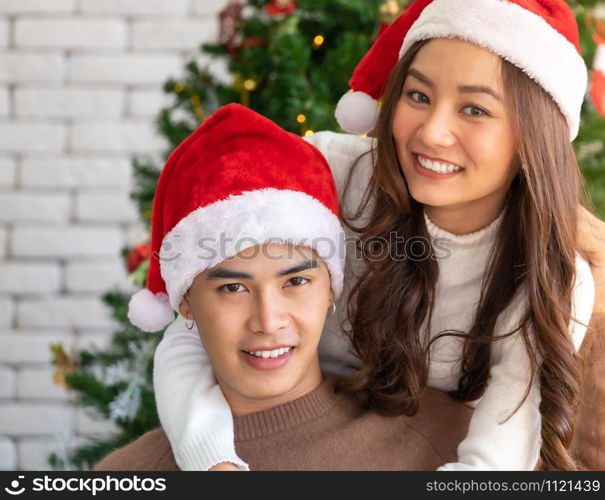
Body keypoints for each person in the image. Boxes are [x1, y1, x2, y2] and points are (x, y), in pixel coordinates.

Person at [142, 0, 601, 471]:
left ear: (536, 135)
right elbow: (198, 319)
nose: (433, 132)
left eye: (474, 109)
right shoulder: (328, 176)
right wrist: (212, 461)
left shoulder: (554, 276)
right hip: (281, 425)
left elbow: (497, 459)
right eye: (418, 96)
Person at [95, 103, 474, 471]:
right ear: (186, 303)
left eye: (295, 281)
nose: (268, 320)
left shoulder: (450, 442)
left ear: (330, 289)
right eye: (232, 288)